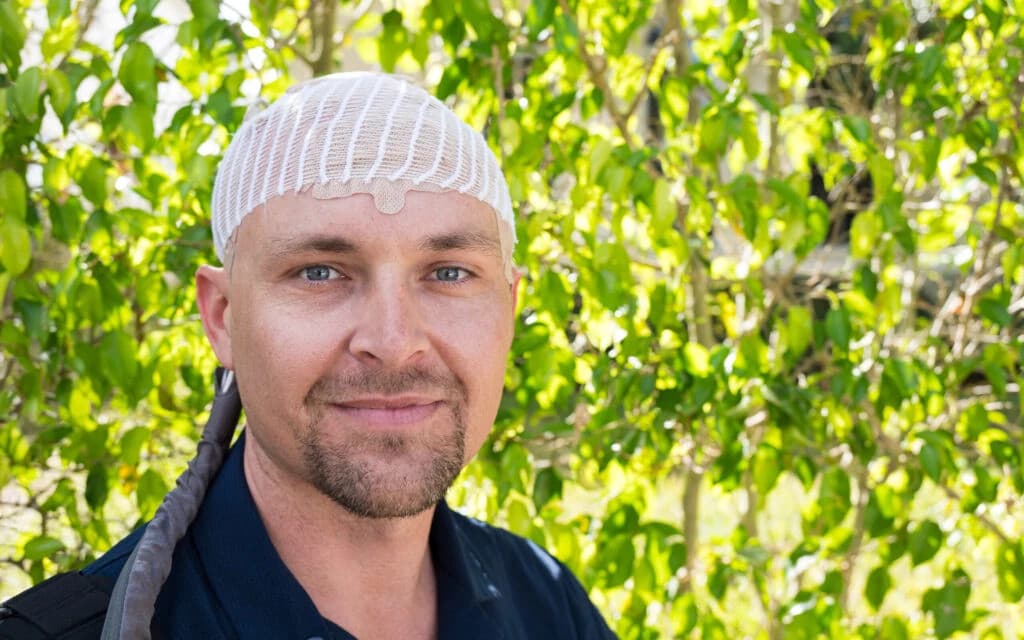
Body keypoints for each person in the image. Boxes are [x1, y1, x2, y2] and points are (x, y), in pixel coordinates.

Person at [0, 72, 616, 639]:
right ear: (223, 317)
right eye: (320, 272)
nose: (394, 341)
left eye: (449, 272)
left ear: (508, 311)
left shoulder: (548, 606)